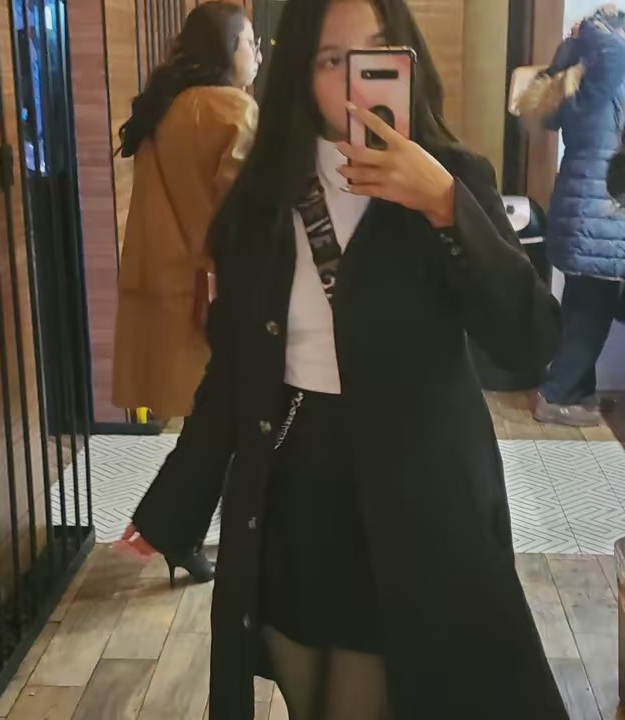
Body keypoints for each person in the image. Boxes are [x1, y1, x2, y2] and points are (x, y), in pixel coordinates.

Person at [118, 0, 567, 717]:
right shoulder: (261, 203)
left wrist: (445, 205)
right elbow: (235, 373)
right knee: (317, 694)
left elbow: (529, 340)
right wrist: (174, 504)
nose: (358, 78)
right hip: (297, 492)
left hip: (420, 497)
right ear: (301, 74)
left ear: (407, 57)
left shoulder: (453, 177)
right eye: (333, 60)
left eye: (377, 51)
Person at [111, 3, 261, 582]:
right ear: (225, 51)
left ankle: (172, 530)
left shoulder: (167, 108)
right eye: (249, 43)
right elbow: (245, 210)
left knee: (215, 418)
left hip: (175, 287)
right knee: (231, 418)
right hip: (228, 289)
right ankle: (178, 530)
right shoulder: (233, 109)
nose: (257, 53)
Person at [522, 7, 625, 426]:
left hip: (586, 211)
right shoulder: (600, 79)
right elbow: (616, 50)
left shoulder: (578, 80)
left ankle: (578, 392)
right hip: (599, 213)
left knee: (583, 307)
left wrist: (585, 34)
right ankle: (556, 396)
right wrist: (600, 21)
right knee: (591, 313)